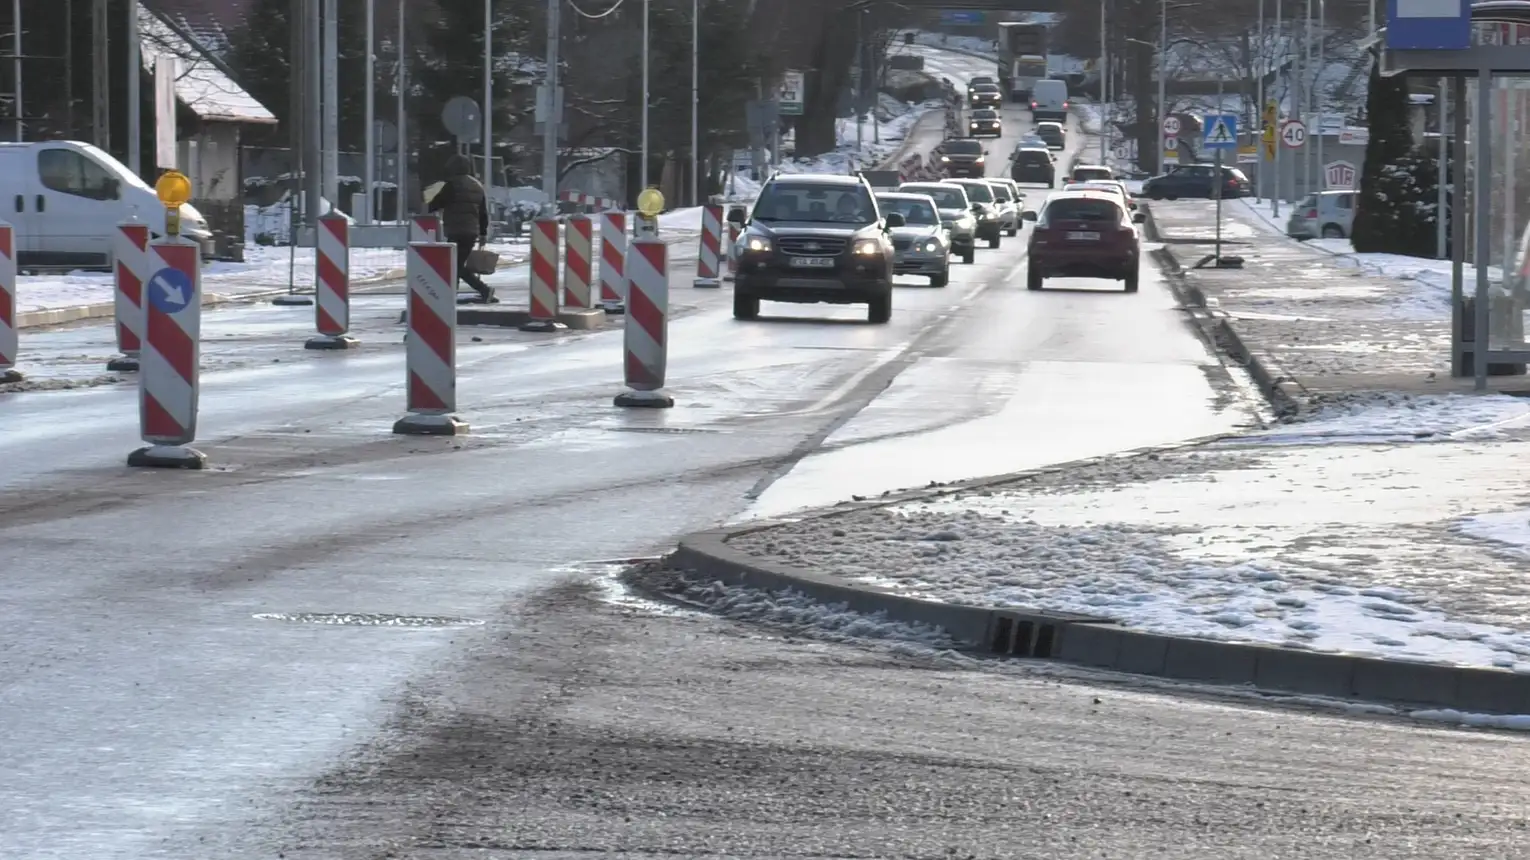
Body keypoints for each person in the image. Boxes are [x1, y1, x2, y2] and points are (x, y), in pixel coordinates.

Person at [427, 154, 496, 303]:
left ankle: (484, 290)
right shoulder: (477, 185)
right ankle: (453, 293)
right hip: (471, 232)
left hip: (456, 230)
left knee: (455, 265)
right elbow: (483, 212)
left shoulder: (452, 185)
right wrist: (483, 233)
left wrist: (429, 200)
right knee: (456, 264)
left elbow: (435, 204)